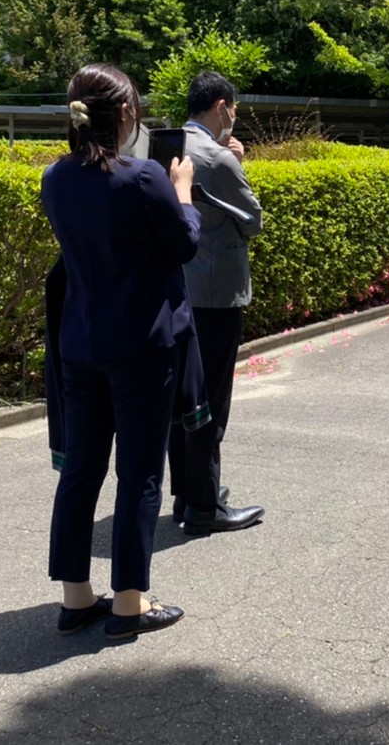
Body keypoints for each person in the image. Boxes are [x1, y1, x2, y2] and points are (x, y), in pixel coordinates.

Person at [41, 63, 199, 639]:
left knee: (81, 470)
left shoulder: (54, 177)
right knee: (138, 473)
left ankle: (76, 597)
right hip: (141, 345)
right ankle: (131, 600)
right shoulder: (145, 177)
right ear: (128, 113)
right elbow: (183, 246)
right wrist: (183, 194)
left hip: (80, 342)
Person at [168, 70, 265, 536]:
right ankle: (206, 507)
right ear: (223, 106)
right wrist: (236, 164)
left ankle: (186, 494)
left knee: (181, 397)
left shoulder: (166, 146)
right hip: (217, 296)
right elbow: (253, 220)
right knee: (210, 402)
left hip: (176, 290)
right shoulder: (218, 158)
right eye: (234, 111)